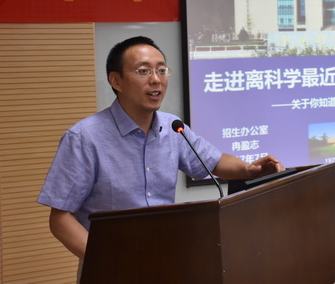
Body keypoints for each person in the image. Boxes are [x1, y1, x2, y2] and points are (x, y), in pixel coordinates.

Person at [37, 36, 284, 262]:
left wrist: (249, 170)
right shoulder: (84, 138)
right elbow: (60, 219)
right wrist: (107, 261)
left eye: (161, 70)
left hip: (165, 260)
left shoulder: (173, 128)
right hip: (111, 269)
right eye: (143, 71)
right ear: (116, 80)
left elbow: (215, 162)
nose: (156, 79)